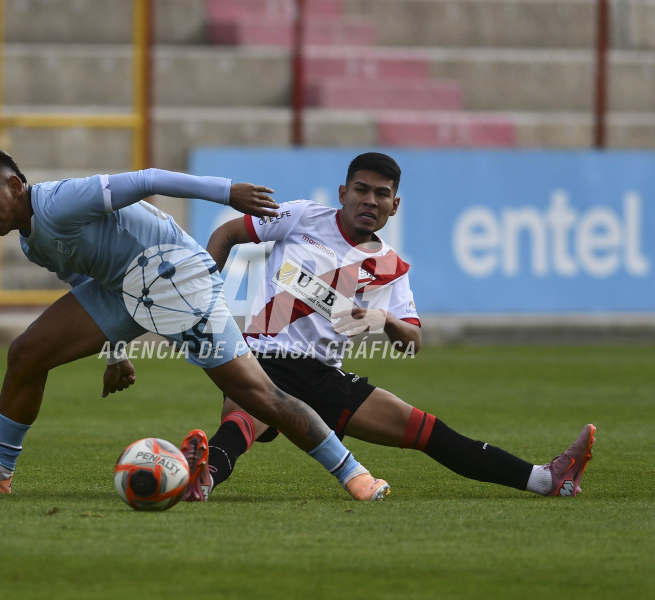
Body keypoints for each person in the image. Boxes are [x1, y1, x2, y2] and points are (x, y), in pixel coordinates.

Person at [0, 147, 390, 501]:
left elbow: (148, 179)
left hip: (177, 279)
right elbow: (84, 279)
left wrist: (227, 192)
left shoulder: (60, 202)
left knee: (259, 396)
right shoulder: (32, 240)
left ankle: (354, 474)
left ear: (15, 185)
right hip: (124, 289)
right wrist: (116, 352)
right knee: (27, 353)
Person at [181, 152, 595, 502]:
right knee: (244, 420)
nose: (370, 200)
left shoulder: (391, 268)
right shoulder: (303, 216)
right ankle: (203, 478)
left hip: (323, 376)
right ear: (342, 194)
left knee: (429, 432)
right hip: (264, 358)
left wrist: (385, 320)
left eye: (381, 194)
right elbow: (227, 233)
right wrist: (204, 298)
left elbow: (412, 341)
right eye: (361, 189)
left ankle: (546, 479)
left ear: (394, 205)